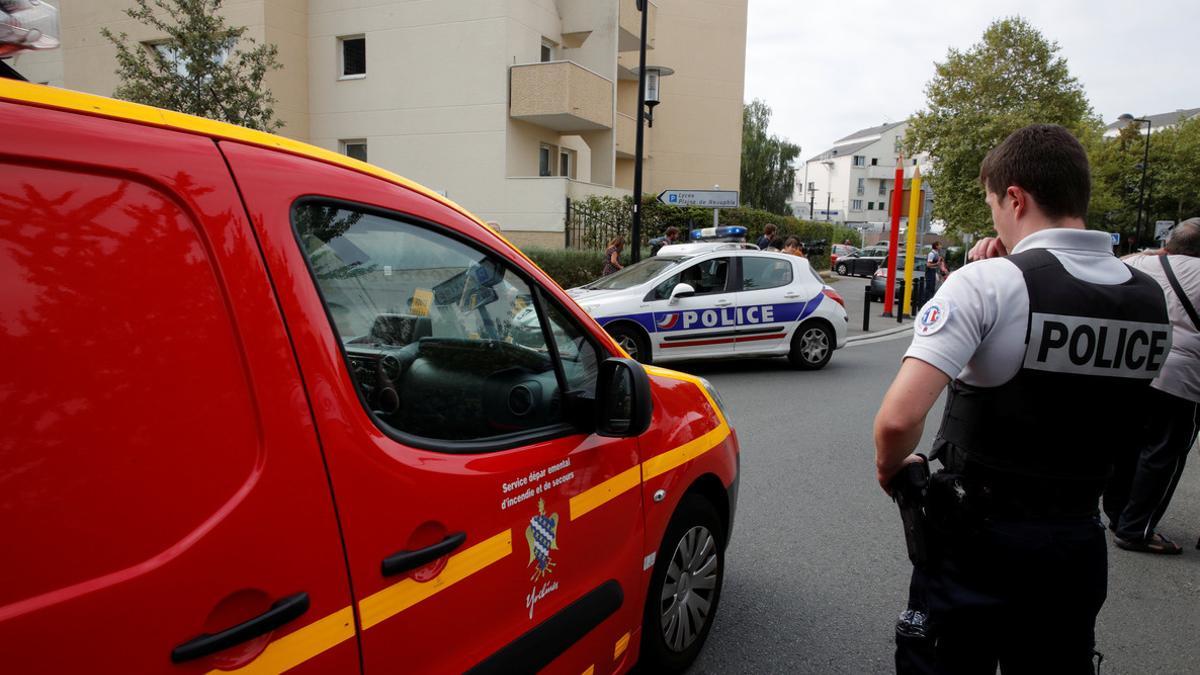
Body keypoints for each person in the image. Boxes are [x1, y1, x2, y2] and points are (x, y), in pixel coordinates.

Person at [873, 124, 1171, 673]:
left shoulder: (988, 284)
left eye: (993, 203)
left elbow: (898, 420)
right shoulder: (1148, 297)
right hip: (1077, 542)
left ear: (1015, 197)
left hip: (979, 538)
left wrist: (894, 469)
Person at [1103, 217, 1200, 554]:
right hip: (1180, 378)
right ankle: (1136, 528)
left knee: (1126, 444)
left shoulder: (1138, 263)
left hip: (1133, 366)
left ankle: (1117, 513)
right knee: (1163, 453)